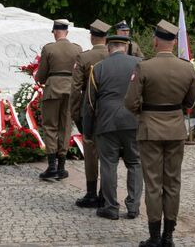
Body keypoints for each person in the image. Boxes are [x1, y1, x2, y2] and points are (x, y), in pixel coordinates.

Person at [125, 19, 195, 247]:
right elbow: (191, 101)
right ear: (174, 42)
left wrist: (143, 113)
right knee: (173, 183)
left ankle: (155, 236)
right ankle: (168, 236)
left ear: (156, 40)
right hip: (175, 129)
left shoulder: (144, 67)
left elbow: (130, 101)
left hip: (150, 130)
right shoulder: (187, 68)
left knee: (153, 184)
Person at [87, 33, 144, 220]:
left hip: (107, 122)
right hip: (134, 121)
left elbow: (90, 102)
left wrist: (87, 130)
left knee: (108, 165)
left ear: (108, 48)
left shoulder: (99, 67)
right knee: (135, 163)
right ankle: (133, 206)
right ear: (125, 47)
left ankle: (111, 207)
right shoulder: (140, 64)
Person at [34, 19, 82, 181]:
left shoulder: (49, 48)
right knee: (65, 126)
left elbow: (41, 75)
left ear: (55, 32)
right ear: (66, 32)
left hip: (53, 89)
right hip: (70, 90)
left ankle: (52, 166)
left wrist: (38, 78)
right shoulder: (77, 49)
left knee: (50, 126)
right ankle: (61, 167)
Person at [71, 19, 111, 208]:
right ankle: (105, 193)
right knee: (108, 153)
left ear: (92, 37)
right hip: (111, 111)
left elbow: (75, 89)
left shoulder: (84, 57)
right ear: (106, 37)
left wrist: (75, 112)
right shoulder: (115, 56)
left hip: (90, 110)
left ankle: (91, 192)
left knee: (91, 151)